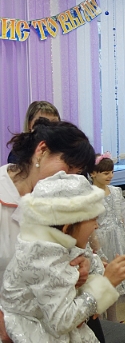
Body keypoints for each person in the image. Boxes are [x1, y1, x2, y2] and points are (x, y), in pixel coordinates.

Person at [0, 172, 125, 343]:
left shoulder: (62, 241)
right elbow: (62, 321)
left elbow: (90, 261)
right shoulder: (42, 257)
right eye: (93, 219)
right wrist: (104, 284)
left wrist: (97, 270)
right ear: (67, 226)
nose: (96, 225)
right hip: (37, 333)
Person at [0, 119, 96, 343]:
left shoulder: (60, 202)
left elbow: (74, 245)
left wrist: (82, 264)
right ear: (42, 150)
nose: (68, 178)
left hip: (54, 321)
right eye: (68, 168)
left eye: (76, 173)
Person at [89, 153, 125, 321]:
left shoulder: (116, 191)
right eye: (105, 173)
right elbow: (91, 224)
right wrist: (97, 250)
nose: (110, 176)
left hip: (119, 239)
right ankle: (105, 321)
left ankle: (114, 319)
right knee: (104, 281)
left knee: (116, 282)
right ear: (93, 173)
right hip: (102, 241)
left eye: (111, 172)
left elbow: (123, 215)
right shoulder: (90, 195)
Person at [6, 100, 60, 164]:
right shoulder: (19, 152)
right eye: (42, 122)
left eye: (54, 122)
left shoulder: (64, 148)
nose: (49, 126)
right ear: (29, 124)